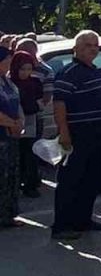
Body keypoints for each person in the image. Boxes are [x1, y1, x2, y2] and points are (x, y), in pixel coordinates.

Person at [49, 31, 101, 240]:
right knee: (70, 181)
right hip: (76, 135)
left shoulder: (94, 72)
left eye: (96, 45)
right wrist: (64, 133)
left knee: (91, 179)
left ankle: (83, 220)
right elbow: (59, 105)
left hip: (96, 135)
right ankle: (61, 226)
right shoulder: (69, 73)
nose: (93, 49)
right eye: (88, 45)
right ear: (76, 48)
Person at [11, 51, 44, 198]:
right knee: (17, 154)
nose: (25, 73)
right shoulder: (10, 82)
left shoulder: (35, 82)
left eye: (28, 69)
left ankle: (30, 183)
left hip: (31, 119)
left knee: (31, 153)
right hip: (14, 121)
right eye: (22, 69)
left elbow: (39, 100)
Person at [0, 47, 23, 228]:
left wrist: (19, 123)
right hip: (2, 135)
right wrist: (11, 123)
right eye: (6, 60)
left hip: (11, 136)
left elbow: (18, 105)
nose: (9, 63)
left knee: (11, 176)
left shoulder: (7, 82)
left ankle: (8, 215)